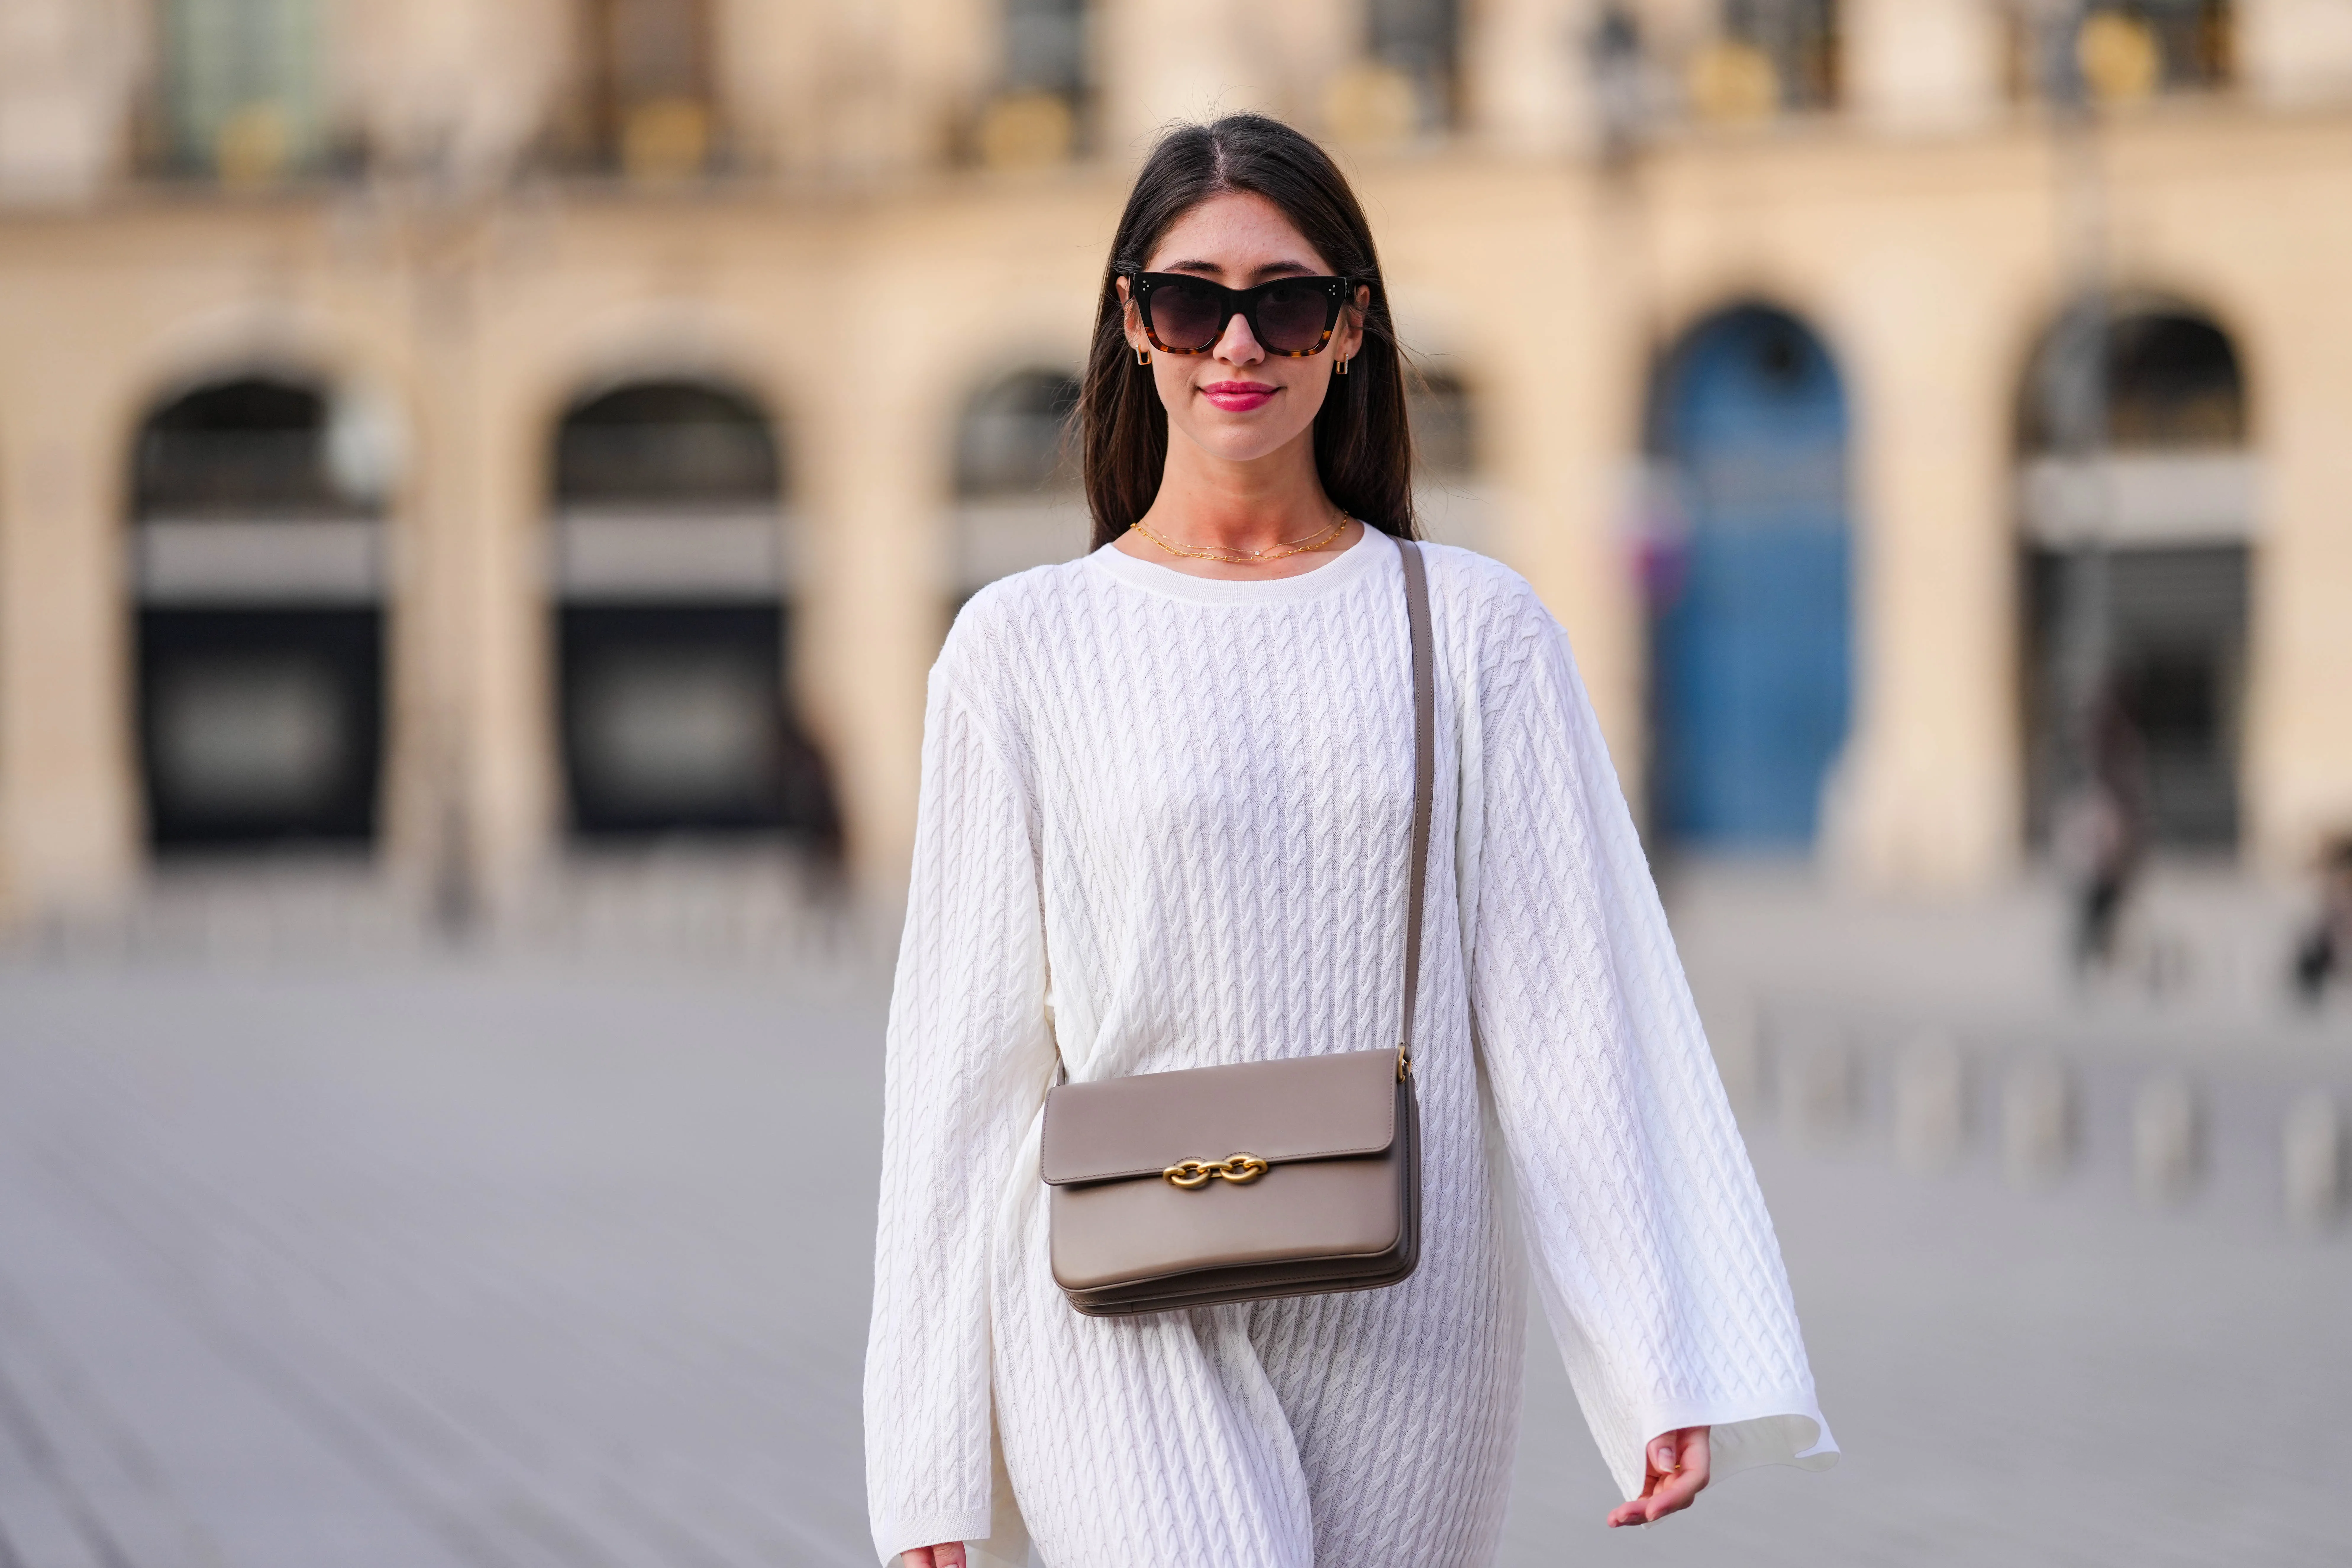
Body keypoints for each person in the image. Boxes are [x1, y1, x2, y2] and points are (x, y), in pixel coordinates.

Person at [864, 114, 1834, 1568]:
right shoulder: (1020, 647)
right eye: (1193, 300)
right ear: (1134, 322)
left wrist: (1658, 1354)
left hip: (1410, 1294)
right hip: (1108, 1289)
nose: (1237, 344)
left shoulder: (1475, 628)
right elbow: (961, 1062)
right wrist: (926, 1460)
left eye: (1288, 302)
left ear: (1350, 330)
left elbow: (1571, 1011)